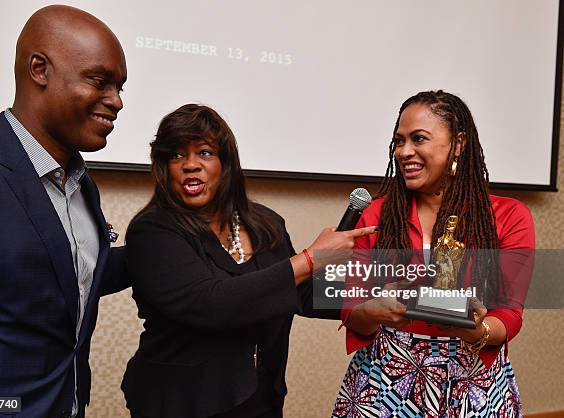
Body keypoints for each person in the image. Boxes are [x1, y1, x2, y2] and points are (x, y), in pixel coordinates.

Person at [121, 104, 376, 418]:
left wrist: (381, 293)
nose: (190, 165)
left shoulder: (266, 224)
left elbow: (301, 293)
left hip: (260, 397)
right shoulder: (153, 231)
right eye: (176, 155)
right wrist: (312, 259)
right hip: (182, 403)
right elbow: (213, 303)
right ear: (163, 167)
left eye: (204, 152)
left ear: (225, 163)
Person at [0, 6, 128, 418]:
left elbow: (62, 284)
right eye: (100, 81)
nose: (116, 102)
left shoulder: (83, 186)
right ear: (39, 69)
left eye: (120, 87)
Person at [332, 90, 534, 417]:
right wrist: (373, 310)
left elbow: (509, 315)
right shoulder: (376, 216)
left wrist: (475, 329)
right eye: (399, 141)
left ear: (458, 143)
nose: (404, 151)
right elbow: (352, 310)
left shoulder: (509, 216)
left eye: (419, 139)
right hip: (383, 382)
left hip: (475, 385)